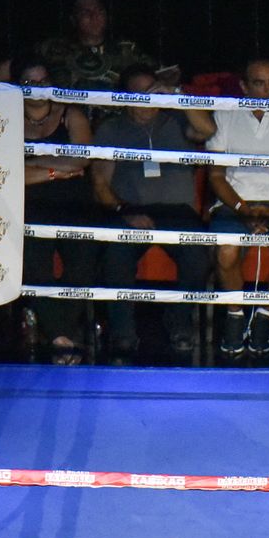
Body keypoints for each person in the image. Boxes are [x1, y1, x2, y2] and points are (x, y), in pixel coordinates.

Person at [184, 58, 269, 359]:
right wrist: (243, 208)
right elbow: (215, 176)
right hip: (233, 203)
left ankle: (265, 314)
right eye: (259, 83)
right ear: (244, 86)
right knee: (226, 250)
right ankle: (235, 314)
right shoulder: (226, 115)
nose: (268, 90)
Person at [90, 64, 213, 362]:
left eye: (151, 92)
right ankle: (123, 333)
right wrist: (125, 211)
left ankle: (179, 320)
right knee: (116, 254)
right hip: (130, 210)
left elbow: (207, 130)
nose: (147, 101)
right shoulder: (110, 129)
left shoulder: (176, 119)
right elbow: (100, 183)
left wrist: (174, 95)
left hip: (177, 211)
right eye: (139, 94)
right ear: (124, 97)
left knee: (199, 255)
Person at [14, 56, 98, 364]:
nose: (36, 88)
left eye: (43, 81)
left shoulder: (70, 115)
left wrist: (32, 165)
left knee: (83, 260)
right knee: (34, 264)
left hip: (73, 202)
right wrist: (54, 170)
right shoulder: (5, 118)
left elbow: (81, 161)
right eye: (29, 82)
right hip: (28, 204)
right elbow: (6, 171)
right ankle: (62, 337)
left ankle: (58, 333)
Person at [34, 0, 161, 91]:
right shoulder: (53, 48)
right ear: (73, 19)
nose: (94, 17)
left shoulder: (127, 49)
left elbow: (165, 74)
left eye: (99, 10)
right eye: (86, 12)